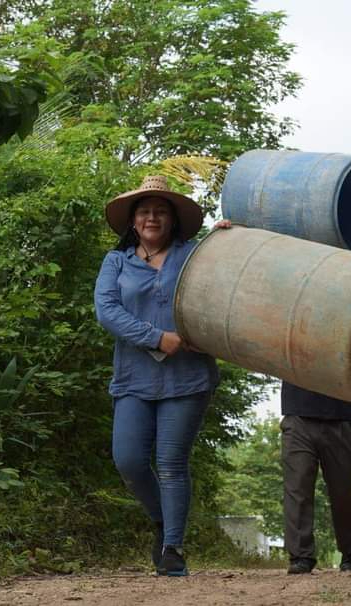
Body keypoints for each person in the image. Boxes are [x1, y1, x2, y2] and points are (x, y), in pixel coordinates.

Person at [94, 174, 228, 577]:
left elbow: (226, 290)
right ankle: (161, 521)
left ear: (172, 220)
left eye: (160, 211)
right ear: (133, 221)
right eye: (144, 211)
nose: (152, 217)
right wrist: (156, 338)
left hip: (187, 377)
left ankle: (173, 547)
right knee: (129, 460)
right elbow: (107, 311)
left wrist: (226, 237)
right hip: (134, 376)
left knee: (171, 462)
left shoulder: (194, 255)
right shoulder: (116, 261)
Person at [282, 236, 351, 575]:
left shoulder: (349, 300)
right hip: (298, 412)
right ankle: (301, 556)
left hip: (341, 415)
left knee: (344, 492)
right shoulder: (291, 296)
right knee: (297, 488)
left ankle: (350, 554)